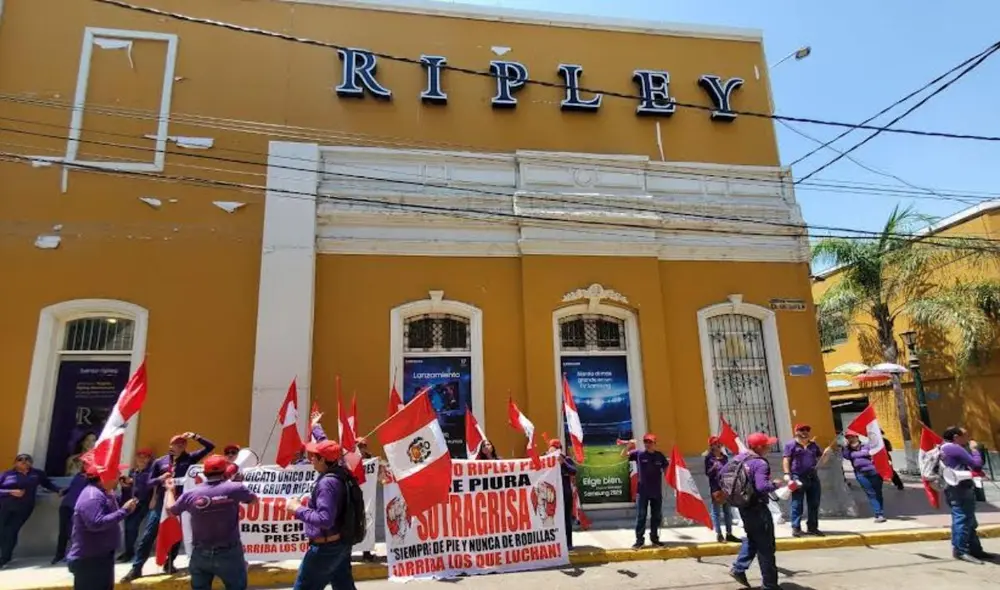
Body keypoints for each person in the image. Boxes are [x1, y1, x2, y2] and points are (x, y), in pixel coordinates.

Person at [122, 431, 215, 582]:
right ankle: (137, 568)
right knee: (148, 535)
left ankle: (169, 563)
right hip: (162, 503)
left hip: (181, 501)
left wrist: (195, 436)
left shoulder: (190, 458)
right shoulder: (160, 462)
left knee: (176, 535)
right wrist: (160, 478)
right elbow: (148, 482)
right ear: (170, 445)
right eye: (175, 444)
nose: (179, 446)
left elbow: (210, 447)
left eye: (181, 444)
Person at [165, 454, 258, 589]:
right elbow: (254, 501)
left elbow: (171, 510)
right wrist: (238, 484)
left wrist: (170, 490)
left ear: (204, 472)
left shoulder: (190, 494)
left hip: (200, 553)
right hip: (229, 553)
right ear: (225, 471)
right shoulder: (235, 488)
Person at [286, 440, 358, 590]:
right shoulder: (342, 473)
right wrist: (317, 427)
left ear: (324, 460)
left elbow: (324, 519)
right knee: (343, 585)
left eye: (314, 456)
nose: (311, 458)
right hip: (341, 543)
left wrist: (297, 509)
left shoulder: (327, 483)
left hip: (326, 548)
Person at [66, 463, 138, 589]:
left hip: (101, 556)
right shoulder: (92, 497)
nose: (120, 476)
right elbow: (96, 523)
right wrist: (124, 511)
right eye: (116, 473)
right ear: (104, 477)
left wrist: (126, 491)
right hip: (90, 560)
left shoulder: (103, 493)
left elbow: (116, 506)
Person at [729, 432, 783, 590]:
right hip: (758, 509)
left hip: (744, 507)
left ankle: (739, 568)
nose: (769, 447)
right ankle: (770, 585)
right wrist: (775, 484)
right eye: (767, 445)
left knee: (753, 539)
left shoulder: (738, 459)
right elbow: (762, 487)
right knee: (766, 547)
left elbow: (722, 475)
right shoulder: (760, 463)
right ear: (759, 447)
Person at [940, 426, 995, 563]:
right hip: (960, 488)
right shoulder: (954, 448)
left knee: (968, 519)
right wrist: (975, 450)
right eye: (965, 435)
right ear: (956, 437)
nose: (968, 438)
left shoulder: (944, 447)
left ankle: (975, 549)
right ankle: (960, 550)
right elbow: (976, 464)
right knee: (963, 518)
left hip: (954, 487)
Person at [0, 453, 61, 568]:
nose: (24, 461)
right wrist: (9, 492)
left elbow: (48, 484)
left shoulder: (36, 474)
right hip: (4, 507)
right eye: (20, 459)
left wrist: (59, 490)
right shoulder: (7, 474)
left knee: (11, 531)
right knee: (1, 530)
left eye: (27, 459)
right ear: (15, 463)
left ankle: (5, 558)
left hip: (23, 508)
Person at [621, 434, 668, 548]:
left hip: (656, 492)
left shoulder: (659, 456)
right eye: (646, 442)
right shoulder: (639, 454)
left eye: (650, 442)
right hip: (642, 492)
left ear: (654, 443)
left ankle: (654, 538)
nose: (647, 444)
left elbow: (666, 469)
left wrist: (671, 479)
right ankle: (639, 540)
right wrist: (628, 446)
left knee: (656, 516)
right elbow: (623, 456)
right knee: (641, 515)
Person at [782, 424, 827, 537]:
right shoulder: (791, 445)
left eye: (807, 430)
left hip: (813, 477)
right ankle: (796, 527)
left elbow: (821, 461)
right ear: (796, 431)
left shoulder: (813, 445)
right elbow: (786, 460)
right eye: (802, 430)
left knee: (814, 503)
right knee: (797, 503)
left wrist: (826, 455)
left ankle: (812, 527)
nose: (805, 432)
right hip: (798, 477)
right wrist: (787, 474)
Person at [117, 448, 154, 562]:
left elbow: (151, 487)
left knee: (132, 526)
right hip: (132, 502)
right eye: (140, 456)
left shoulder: (151, 472)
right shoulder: (133, 472)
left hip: (144, 503)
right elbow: (130, 489)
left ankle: (130, 553)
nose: (142, 459)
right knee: (128, 527)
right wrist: (125, 486)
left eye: (145, 457)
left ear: (149, 459)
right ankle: (128, 551)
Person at [842, 430, 886, 523]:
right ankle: (878, 514)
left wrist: (857, 454)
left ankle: (881, 511)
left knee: (878, 492)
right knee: (871, 493)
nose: (850, 439)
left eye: (852, 437)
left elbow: (874, 452)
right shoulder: (847, 450)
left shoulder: (866, 445)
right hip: (861, 474)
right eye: (848, 437)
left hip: (874, 472)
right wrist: (848, 448)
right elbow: (847, 456)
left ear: (857, 437)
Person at [705, 436, 739, 543]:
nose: (719, 445)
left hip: (726, 487)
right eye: (716, 444)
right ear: (712, 446)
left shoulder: (724, 457)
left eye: (720, 443)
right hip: (716, 488)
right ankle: (719, 534)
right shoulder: (709, 458)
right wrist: (713, 467)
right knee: (716, 512)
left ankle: (729, 533)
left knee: (728, 511)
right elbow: (708, 473)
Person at [548, 439, 578, 551]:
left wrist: (563, 462)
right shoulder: (547, 460)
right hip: (552, 496)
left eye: (556, 448)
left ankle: (568, 543)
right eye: (552, 448)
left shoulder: (567, 460)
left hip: (565, 495)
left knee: (567, 520)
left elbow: (574, 471)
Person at [53, 470, 89, 564]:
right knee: (63, 532)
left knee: (73, 531)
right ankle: (59, 555)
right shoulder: (78, 475)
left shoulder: (92, 477)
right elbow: (73, 487)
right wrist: (63, 491)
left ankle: (75, 554)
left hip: (78, 507)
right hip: (66, 505)